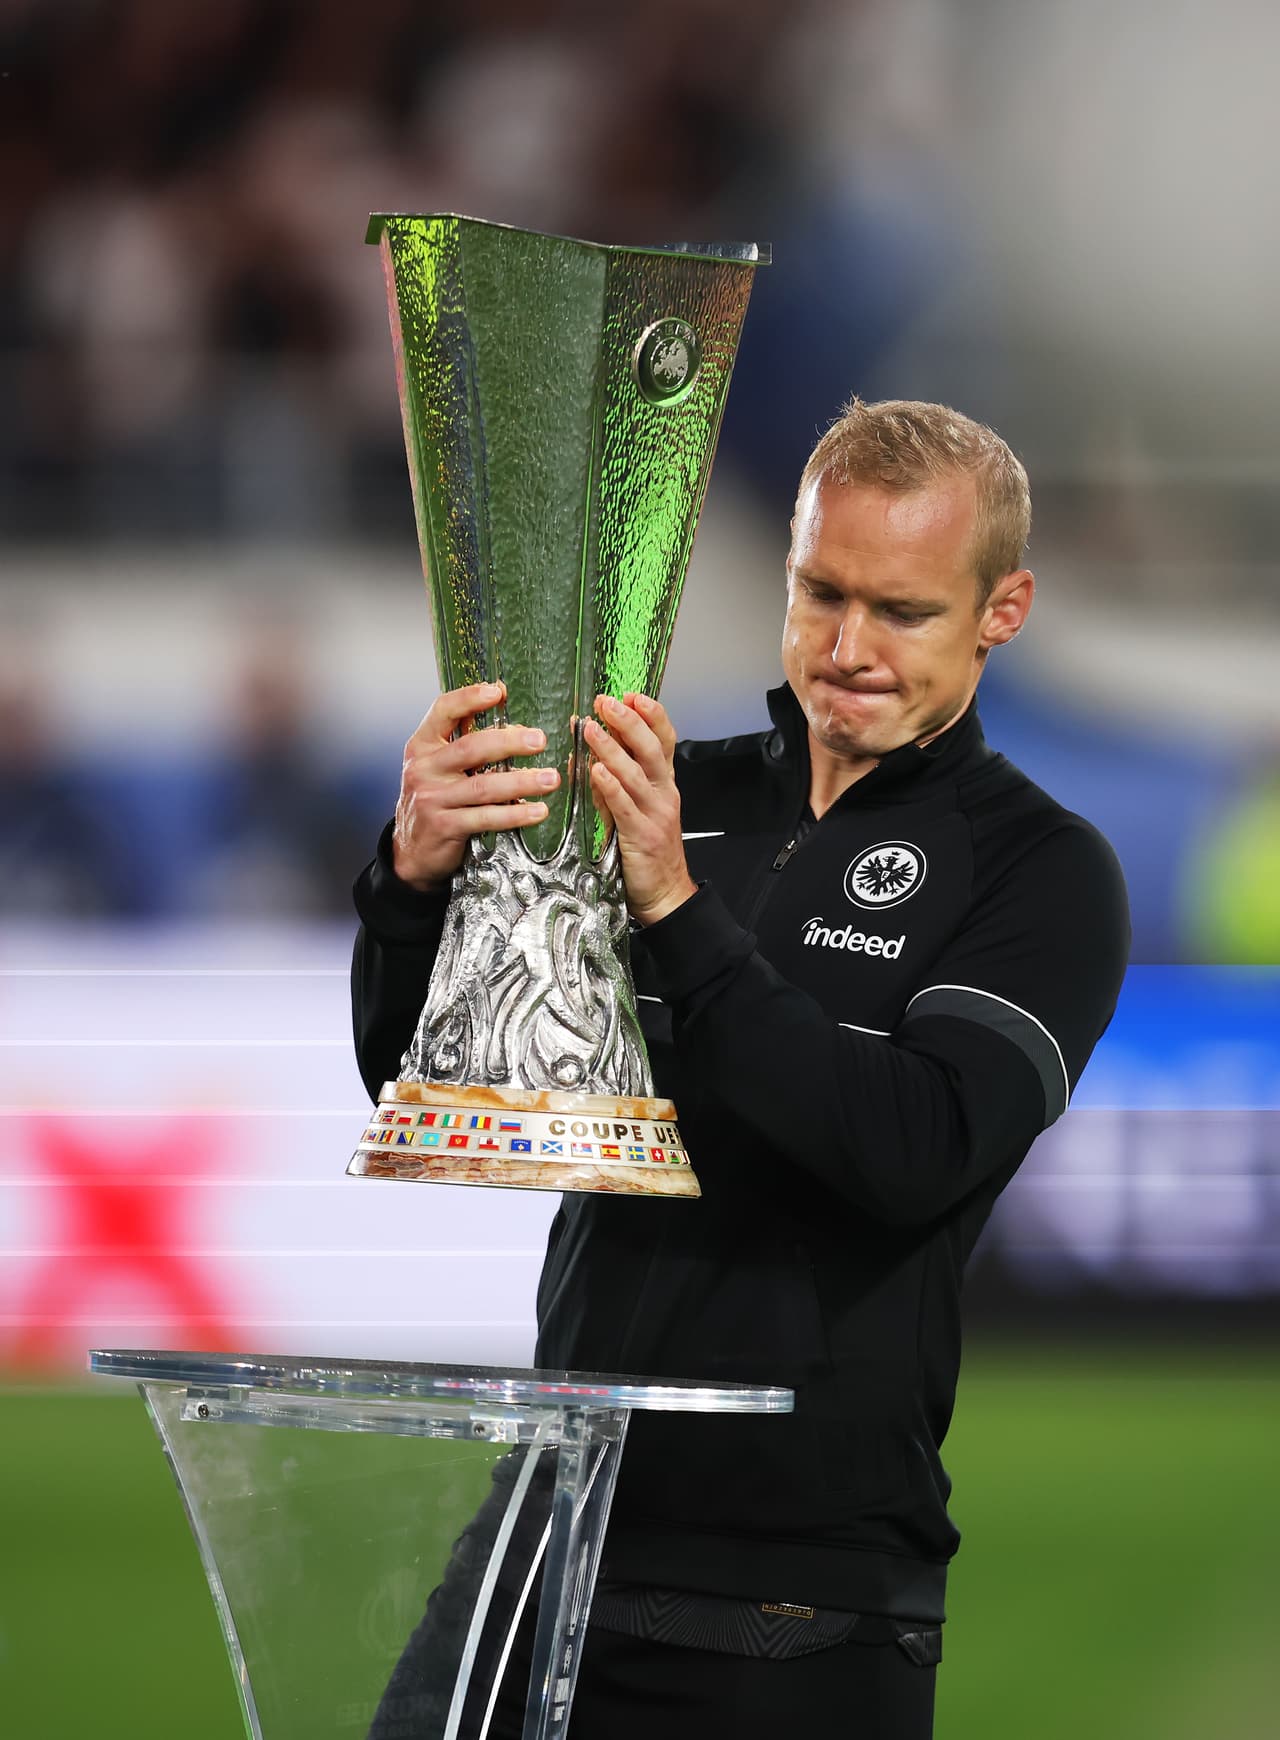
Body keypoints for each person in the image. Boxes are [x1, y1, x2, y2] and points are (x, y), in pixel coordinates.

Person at [351, 398, 1130, 1739]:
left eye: (903, 611)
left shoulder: (1042, 872)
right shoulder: (667, 787)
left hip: (796, 1597)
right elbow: (445, 1087)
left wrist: (676, 908)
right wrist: (411, 884)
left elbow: (913, 1149)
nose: (846, 650)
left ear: (1004, 610)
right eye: (820, 592)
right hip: (548, 1531)